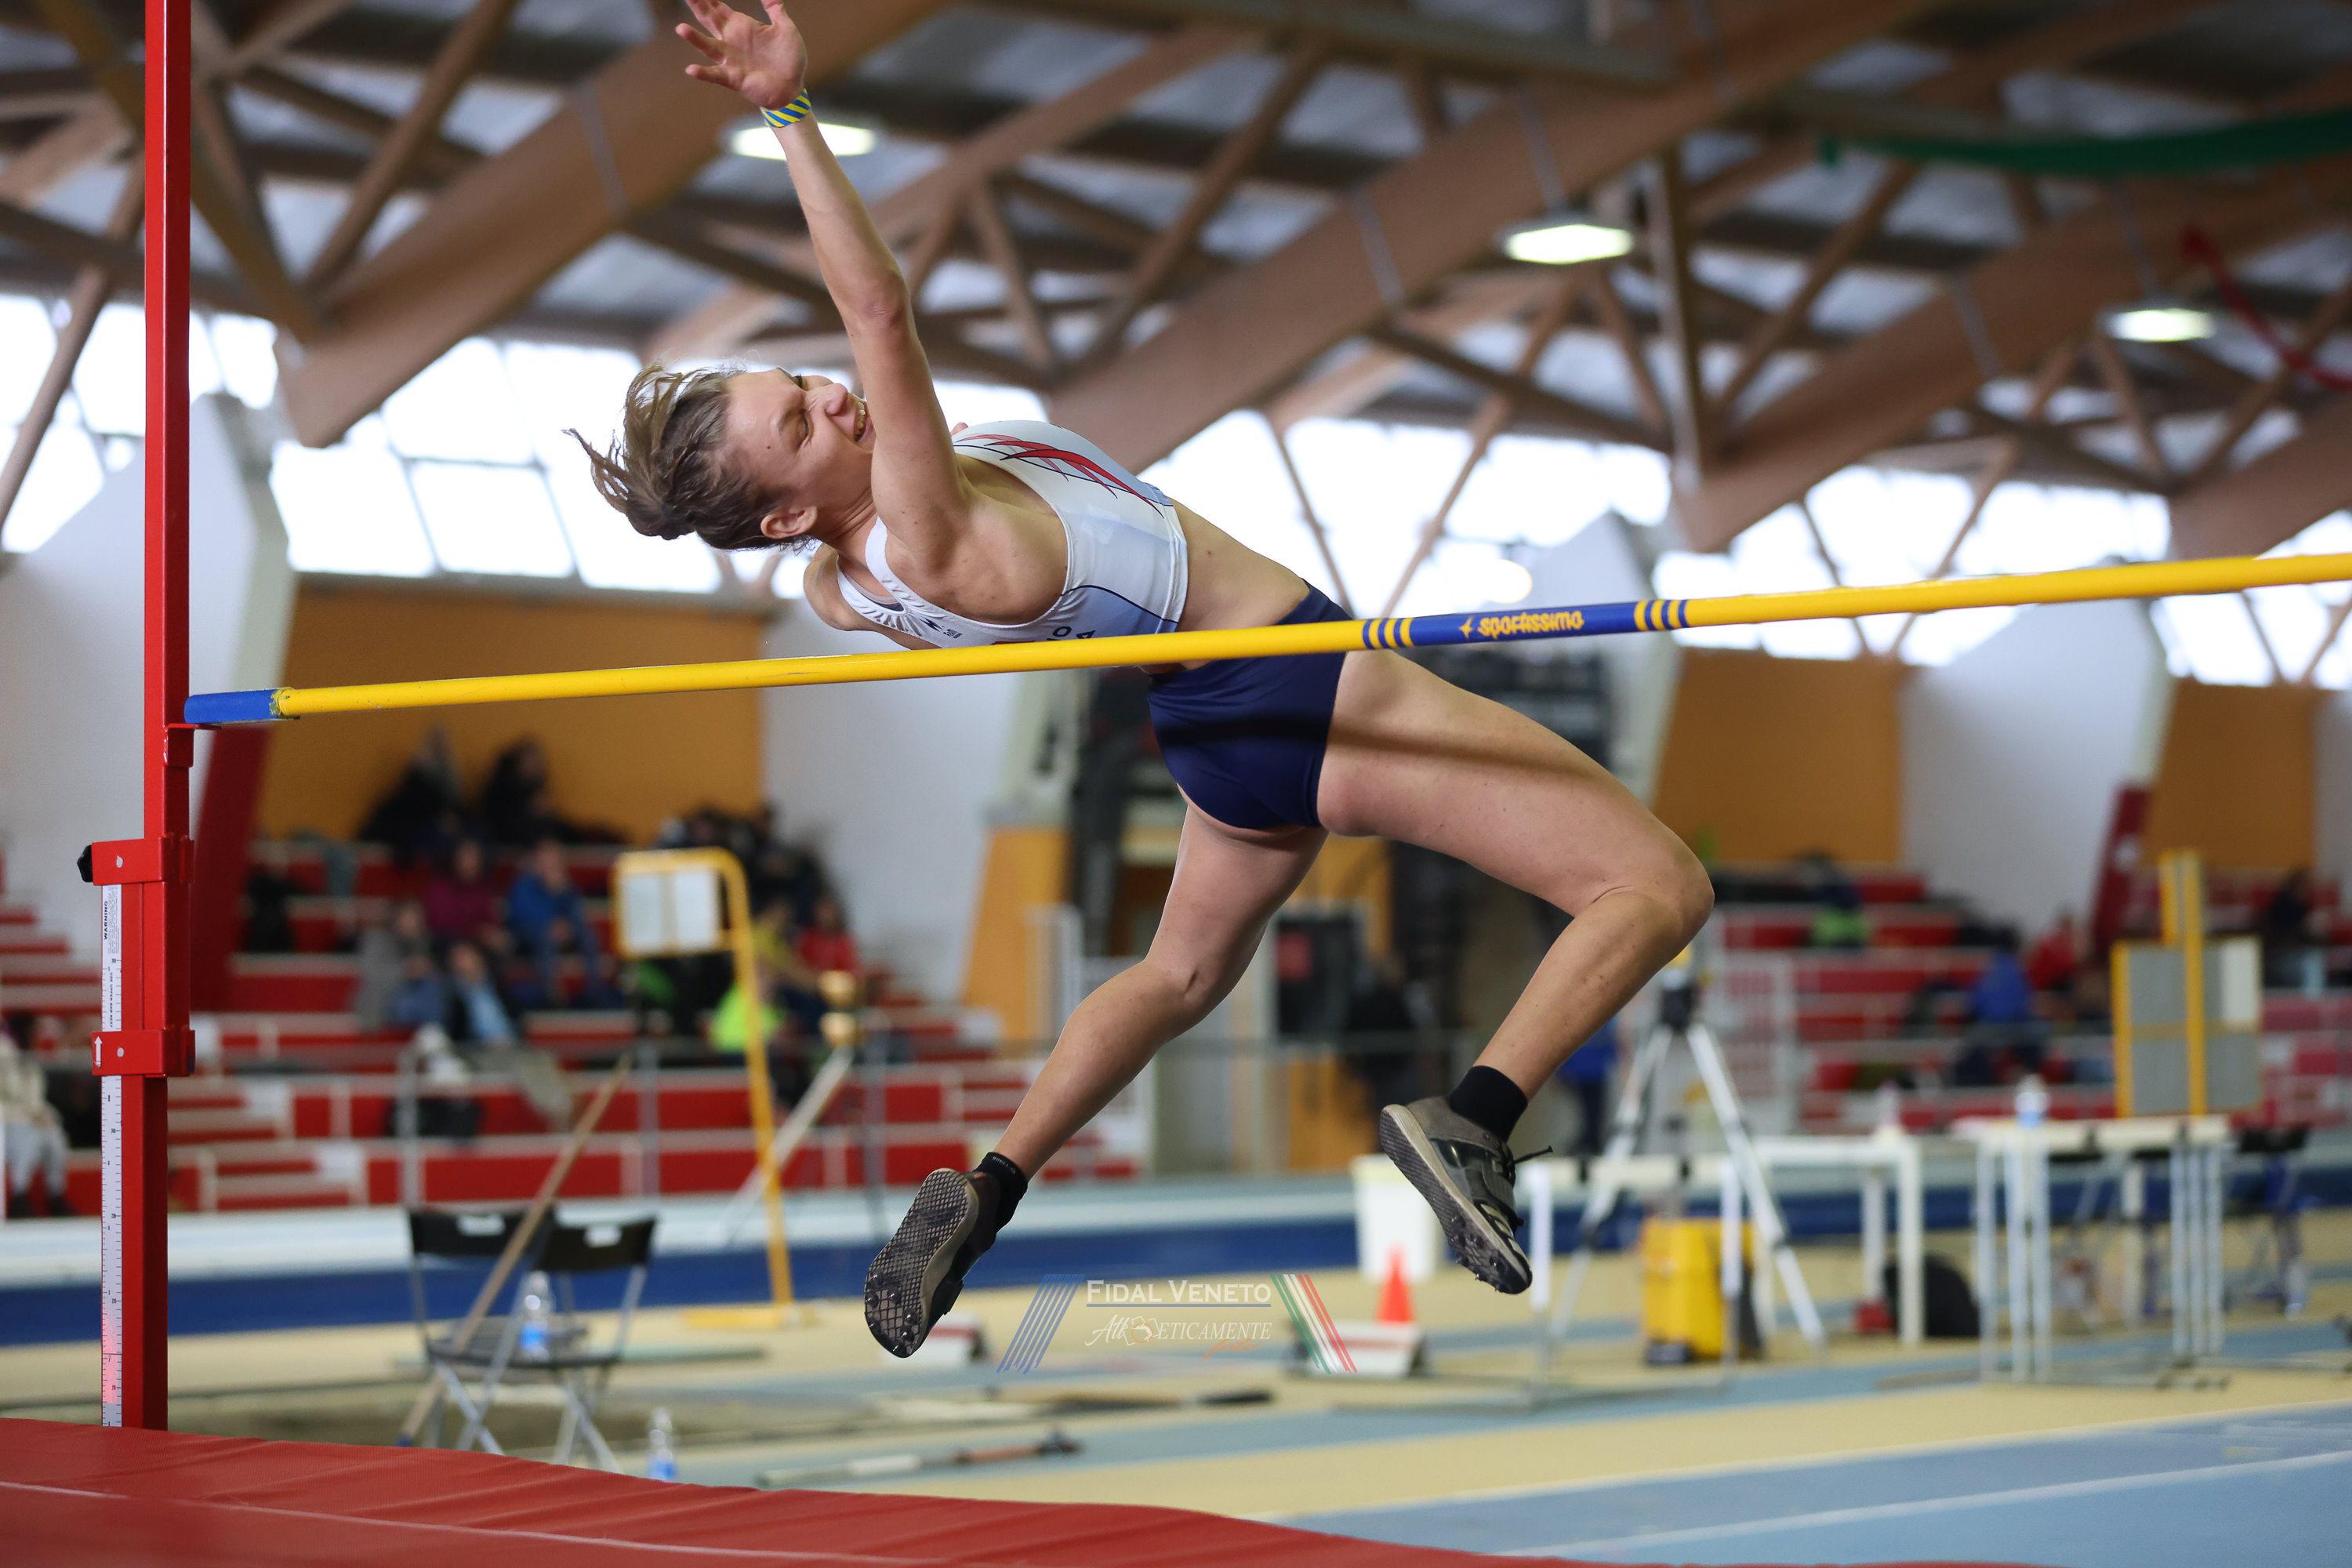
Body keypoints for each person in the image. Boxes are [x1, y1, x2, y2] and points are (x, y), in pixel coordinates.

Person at [578, 0, 1711, 1356]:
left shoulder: (846, 585)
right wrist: (790, 114)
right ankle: (1476, 1116)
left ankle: (989, 1186)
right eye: (799, 424)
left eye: (802, 381)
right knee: (1656, 884)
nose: (833, 396)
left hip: (1209, 723)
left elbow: (876, 454)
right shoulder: (921, 535)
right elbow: (876, 306)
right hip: (1289, 671)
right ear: (781, 516)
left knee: (1179, 974)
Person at [441, 941, 573, 1132]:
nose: (466, 962)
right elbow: (453, 1033)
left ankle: (561, 1105)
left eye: (469, 957)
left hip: (512, 1045)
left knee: (543, 1058)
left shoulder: (497, 987)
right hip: (481, 1053)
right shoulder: (452, 995)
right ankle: (556, 1111)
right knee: (522, 1065)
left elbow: (518, 1018)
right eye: (460, 959)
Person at [507, 837, 619, 1009]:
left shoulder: (564, 883)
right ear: (538, 858)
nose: (552, 862)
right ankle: (551, 995)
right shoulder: (525, 883)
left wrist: (561, 894)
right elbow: (522, 916)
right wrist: (549, 925)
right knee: (545, 938)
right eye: (547, 857)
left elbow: (575, 913)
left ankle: (594, 990)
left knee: (588, 934)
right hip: (531, 933)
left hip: (561, 931)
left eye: (555, 857)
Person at [2, 1033, 71, 1218]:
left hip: (27, 1121)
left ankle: (55, 1194)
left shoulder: (29, 1068)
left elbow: (36, 1102)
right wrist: (27, 1115)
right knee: (29, 1134)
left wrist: (42, 1115)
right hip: (8, 1127)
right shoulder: (4, 1055)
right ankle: (19, 1194)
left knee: (54, 1133)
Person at [423, 839, 509, 957]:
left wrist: (494, 934)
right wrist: (477, 932)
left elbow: (492, 920)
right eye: (465, 858)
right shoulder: (439, 887)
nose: (469, 864)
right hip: (446, 945)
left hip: (480, 947)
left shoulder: (486, 889)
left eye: (474, 858)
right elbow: (441, 924)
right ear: (454, 860)